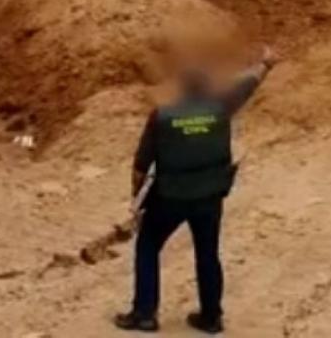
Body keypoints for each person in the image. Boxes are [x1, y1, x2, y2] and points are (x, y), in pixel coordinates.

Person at [114, 46, 281, 333]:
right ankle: (211, 317)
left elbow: (140, 166)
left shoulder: (161, 116)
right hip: (209, 197)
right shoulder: (221, 108)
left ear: (182, 88)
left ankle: (144, 314)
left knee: (148, 247)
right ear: (206, 88)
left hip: (170, 197)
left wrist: (137, 202)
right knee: (207, 252)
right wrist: (265, 64)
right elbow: (246, 86)